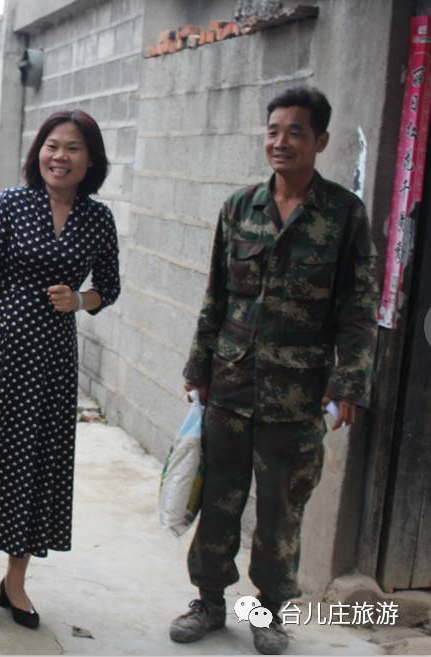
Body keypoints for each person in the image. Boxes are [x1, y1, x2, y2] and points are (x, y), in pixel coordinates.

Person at [170, 86, 378, 655]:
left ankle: (270, 610)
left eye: (295, 132)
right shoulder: (239, 208)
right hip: (231, 386)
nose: (280, 142)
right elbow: (217, 295)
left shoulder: (343, 215)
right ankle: (209, 601)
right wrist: (198, 366)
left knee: (281, 511)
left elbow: (358, 310)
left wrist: (349, 386)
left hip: (298, 395)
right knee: (219, 502)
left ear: (320, 141)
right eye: (273, 131)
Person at [0, 109, 120, 629]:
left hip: (55, 359)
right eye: (52, 146)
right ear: (38, 152)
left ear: (90, 160)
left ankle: (18, 581)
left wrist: (80, 300)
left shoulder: (97, 218)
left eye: (73, 148)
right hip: (0, 348)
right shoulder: (13, 204)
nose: (59, 157)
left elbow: (110, 285)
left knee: (41, 463)